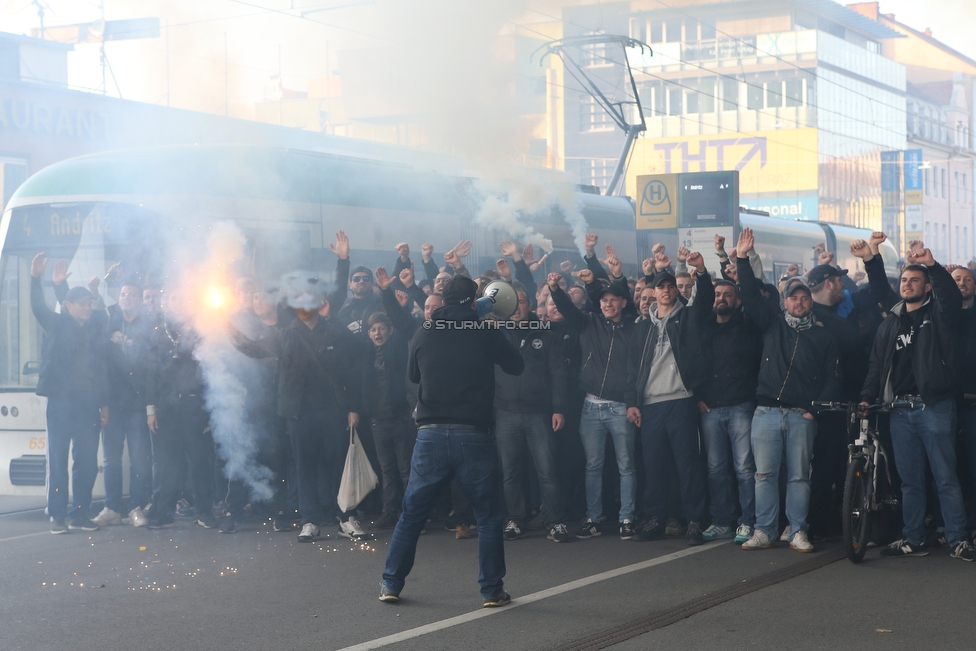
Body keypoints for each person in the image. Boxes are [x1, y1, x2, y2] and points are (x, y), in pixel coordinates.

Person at [380, 276, 524, 607]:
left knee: (411, 514)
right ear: (473, 301)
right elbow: (516, 365)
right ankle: (491, 590)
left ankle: (391, 583)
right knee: (487, 516)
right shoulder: (485, 331)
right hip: (472, 434)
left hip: (429, 434)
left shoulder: (425, 331)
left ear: (443, 300)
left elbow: (413, 376)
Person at [860, 246, 975, 561]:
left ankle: (958, 540)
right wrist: (867, 397)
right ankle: (913, 539)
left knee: (945, 477)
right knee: (909, 481)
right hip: (899, 410)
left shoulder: (940, 315)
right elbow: (876, 366)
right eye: (905, 279)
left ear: (927, 287)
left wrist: (933, 266)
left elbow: (950, 299)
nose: (907, 284)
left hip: (934, 407)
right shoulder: (890, 323)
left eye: (915, 280)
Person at [230, 280, 363, 543]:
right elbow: (252, 348)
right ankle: (309, 521)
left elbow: (353, 365)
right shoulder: (285, 334)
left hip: (333, 410)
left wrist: (353, 407)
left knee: (339, 465)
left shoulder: (333, 330)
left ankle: (347, 518)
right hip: (299, 413)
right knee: (305, 467)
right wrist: (225, 325)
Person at [734, 229, 841, 553]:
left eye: (804, 297)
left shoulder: (824, 337)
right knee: (764, 475)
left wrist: (815, 409)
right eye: (793, 297)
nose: (799, 301)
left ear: (811, 302)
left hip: (801, 415)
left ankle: (798, 530)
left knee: (798, 477)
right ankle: (764, 530)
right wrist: (741, 258)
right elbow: (751, 296)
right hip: (766, 412)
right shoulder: (772, 325)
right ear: (785, 301)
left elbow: (832, 378)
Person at [805, 233, 895, 538]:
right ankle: (820, 523)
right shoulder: (806, 316)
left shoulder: (847, 304)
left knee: (858, 456)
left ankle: (863, 518)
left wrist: (871, 258)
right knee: (826, 462)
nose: (844, 285)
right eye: (839, 281)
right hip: (825, 400)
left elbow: (880, 290)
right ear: (829, 283)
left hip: (858, 394)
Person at [548, 248, 639, 541]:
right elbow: (568, 309)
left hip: (620, 407)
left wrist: (631, 402)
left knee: (626, 466)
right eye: (604, 300)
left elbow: (635, 371)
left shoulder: (633, 328)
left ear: (624, 302)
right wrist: (555, 289)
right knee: (594, 466)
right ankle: (593, 518)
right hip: (590, 407)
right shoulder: (588, 321)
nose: (608, 304)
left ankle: (627, 518)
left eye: (614, 300)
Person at [626, 254, 714, 545]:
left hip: (681, 400)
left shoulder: (687, 316)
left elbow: (703, 301)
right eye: (660, 287)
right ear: (652, 292)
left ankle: (694, 521)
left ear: (677, 290)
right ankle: (656, 519)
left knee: (687, 465)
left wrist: (700, 271)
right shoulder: (642, 327)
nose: (666, 290)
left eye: (671, 287)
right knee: (654, 465)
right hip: (651, 404)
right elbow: (632, 368)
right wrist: (632, 402)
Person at [30, 254, 110, 533]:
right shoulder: (57, 324)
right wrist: (36, 279)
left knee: (87, 460)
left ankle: (80, 513)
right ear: (69, 306)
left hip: (89, 402)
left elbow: (101, 371)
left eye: (90, 303)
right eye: (84, 304)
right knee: (59, 459)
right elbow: (39, 307)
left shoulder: (94, 328)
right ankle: (57, 514)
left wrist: (104, 404)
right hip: (61, 402)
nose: (89, 308)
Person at [493, 289, 572, 543]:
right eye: (511, 303)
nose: (516, 307)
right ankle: (515, 519)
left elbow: (559, 375)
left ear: (530, 306)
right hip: (505, 414)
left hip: (540, 413)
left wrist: (559, 408)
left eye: (521, 302)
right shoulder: (495, 335)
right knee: (510, 472)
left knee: (547, 471)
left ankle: (555, 521)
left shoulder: (547, 336)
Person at [697, 279, 762, 544]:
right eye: (717, 294)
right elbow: (694, 364)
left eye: (727, 294)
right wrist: (697, 396)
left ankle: (747, 522)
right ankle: (722, 521)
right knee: (715, 469)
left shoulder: (748, 326)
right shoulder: (703, 328)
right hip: (709, 407)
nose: (721, 298)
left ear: (737, 300)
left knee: (745, 469)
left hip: (741, 405)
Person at [145, 288, 216, 530]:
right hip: (167, 406)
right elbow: (150, 374)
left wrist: (209, 411)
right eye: (169, 298)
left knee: (199, 461)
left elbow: (209, 372)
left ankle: (204, 510)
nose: (173, 303)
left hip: (194, 404)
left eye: (178, 298)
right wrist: (150, 410)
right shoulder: (157, 335)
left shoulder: (200, 330)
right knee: (169, 462)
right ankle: (165, 510)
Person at [93, 281, 157, 529]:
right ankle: (112, 508)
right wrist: (103, 403)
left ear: (140, 299)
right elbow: (101, 366)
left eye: (132, 294)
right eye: (123, 294)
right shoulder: (109, 323)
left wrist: (151, 407)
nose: (126, 298)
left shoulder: (147, 327)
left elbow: (151, 369)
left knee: (139, 459)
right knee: (111, 459)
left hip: (137, 404)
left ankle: (136, 507)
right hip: (113, 404)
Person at [366, 268, 421, 530]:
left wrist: (398, 304)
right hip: (378, 419)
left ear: (389, 330)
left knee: (406, 469)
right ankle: (390, 511)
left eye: (381, 328)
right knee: (386, 470)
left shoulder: (397, 346)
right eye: (372, 330)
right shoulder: (366, 355)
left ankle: (413, 514)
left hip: (401, 417)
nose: (377, 333)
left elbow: (403, 327)